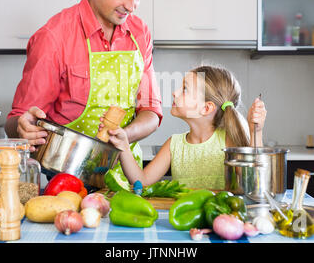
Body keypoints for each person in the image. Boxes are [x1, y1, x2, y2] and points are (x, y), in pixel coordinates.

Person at [5, 0, 162, 174]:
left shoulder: (140, 33)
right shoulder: (54, 37)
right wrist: (22, 127)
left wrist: (122, 137)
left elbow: (150, 111)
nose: (131, 6)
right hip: (64, 178)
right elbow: (16, 122)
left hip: (127, 178)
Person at [102, 64, 267, 190]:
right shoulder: (173, 145)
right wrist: (123, 146)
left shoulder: (228, 143)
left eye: (185, 89)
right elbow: (142, 182)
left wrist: (256, 133)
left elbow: (253, 184)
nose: (175, 92)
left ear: (206, 108)